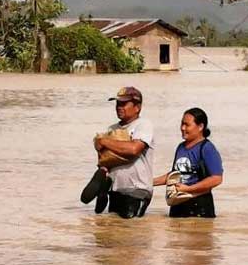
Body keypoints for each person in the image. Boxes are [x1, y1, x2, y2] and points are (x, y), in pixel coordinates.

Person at [80, 87, 155, 219]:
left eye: (123, 104)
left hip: (137, 191)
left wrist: (104, 142)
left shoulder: (143, 125)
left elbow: (134, 149)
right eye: (117, 104)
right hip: (115, 191)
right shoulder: (112, 129)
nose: (119, 107)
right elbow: (106, 160)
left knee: (133, 231)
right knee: (114, 232)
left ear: (137, 107)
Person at [153, 108, 223, 218]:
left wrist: (188, 189)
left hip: (199, 205)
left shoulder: (207, 148)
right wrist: (149, 182)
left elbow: (216, 179)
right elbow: (174, 175)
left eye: (187, 125)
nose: (182, 128)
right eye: (181, 124)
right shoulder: (180, 147)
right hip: (177, 204)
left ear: (200, 127)